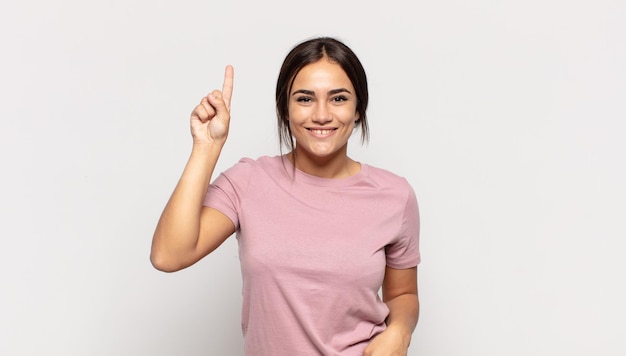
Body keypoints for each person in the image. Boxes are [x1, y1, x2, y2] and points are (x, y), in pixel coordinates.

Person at [151, 36, 421, 356]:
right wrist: (206, 147)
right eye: (305, 99)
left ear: (358, 109)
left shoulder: (394, 196)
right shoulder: (249, 182)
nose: (321, 115)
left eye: (338, 99)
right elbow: (169, 255)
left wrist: (400, 331)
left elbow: (403, 294)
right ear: (286, 109)